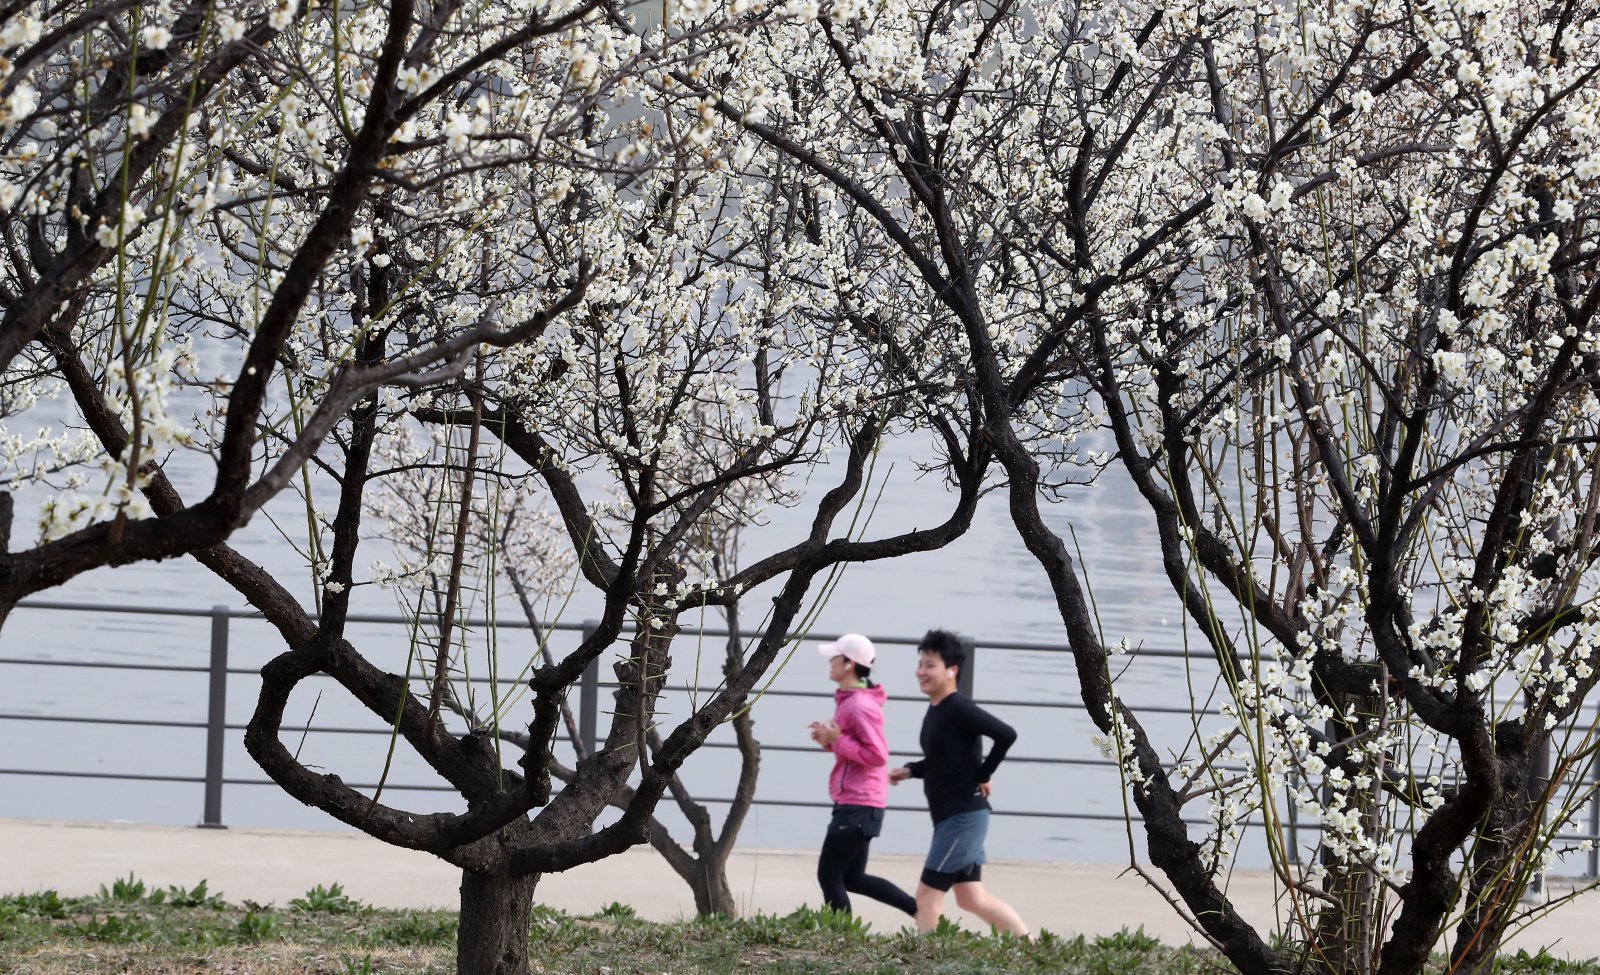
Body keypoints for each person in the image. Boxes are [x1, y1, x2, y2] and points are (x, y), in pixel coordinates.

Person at [888, 628, 1029, 937]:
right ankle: (1031, 947)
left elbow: (1006, 735)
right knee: (970, 898)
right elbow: (945, 761)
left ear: (952, 670)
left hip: (962, 818)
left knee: (926, 898)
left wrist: (984, 773)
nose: (921, 672)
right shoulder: (937, 709)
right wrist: (911, 770)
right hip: (956, 818)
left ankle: (928, 963)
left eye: (930, 665)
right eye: (920, 664)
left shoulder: (957, 708)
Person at [809, 632, 918, 919]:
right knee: (852, 878)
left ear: (848, 664)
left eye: (834, 657)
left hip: (859, 803)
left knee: (829, 875)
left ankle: (841, 939)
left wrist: (839, 740)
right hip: (859, 802)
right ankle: (920, 912)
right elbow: (854, 750)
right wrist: (829, 740)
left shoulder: (858, 705)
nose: (829, 662)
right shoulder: (849, 701)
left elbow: (877, 755)